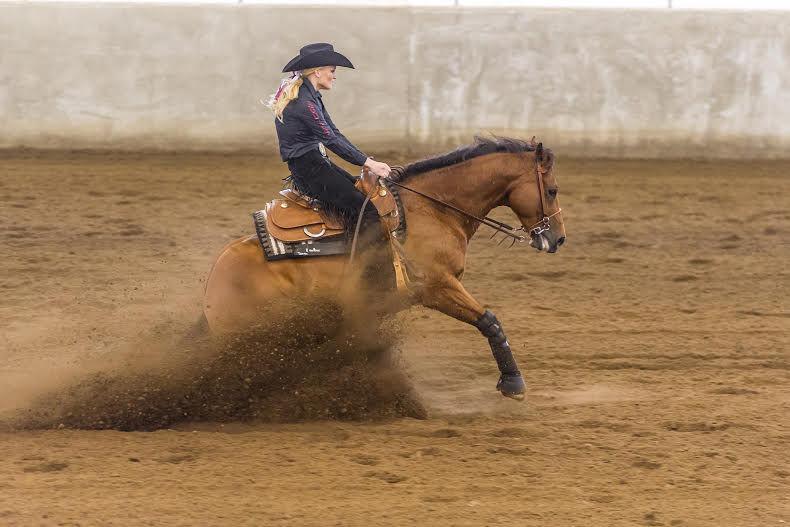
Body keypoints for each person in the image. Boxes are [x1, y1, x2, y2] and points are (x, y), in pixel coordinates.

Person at [266, 43, 391, 254]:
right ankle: (367, 271)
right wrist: (369, 163)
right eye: (332, 71)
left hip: (315, 165)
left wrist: (366, 161)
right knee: (365, 211)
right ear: (318, 71)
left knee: (359, 195)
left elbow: (334, 134)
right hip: (311, 170)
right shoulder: (305, 103)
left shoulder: (310, 97)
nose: (334, 76)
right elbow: (330, 140)